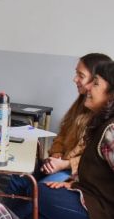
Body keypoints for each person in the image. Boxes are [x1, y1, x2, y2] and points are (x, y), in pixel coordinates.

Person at [11, 61, 114, 219]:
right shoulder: (101, 124)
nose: (87, 87)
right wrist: (71, 185)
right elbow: (97, 174)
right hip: (94, 209)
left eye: (95, 83)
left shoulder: (111, 130)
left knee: (36, 189)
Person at [40, 53, 111, 181]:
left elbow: (93, 160)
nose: (75, 79)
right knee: (20, 180)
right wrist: (57, 155)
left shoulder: (104, 119)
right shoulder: (80, 103)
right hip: (61, 164)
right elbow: (63, 133)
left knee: (42, 189)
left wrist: (65, 164)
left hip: (75, 172)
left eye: (81, 75)